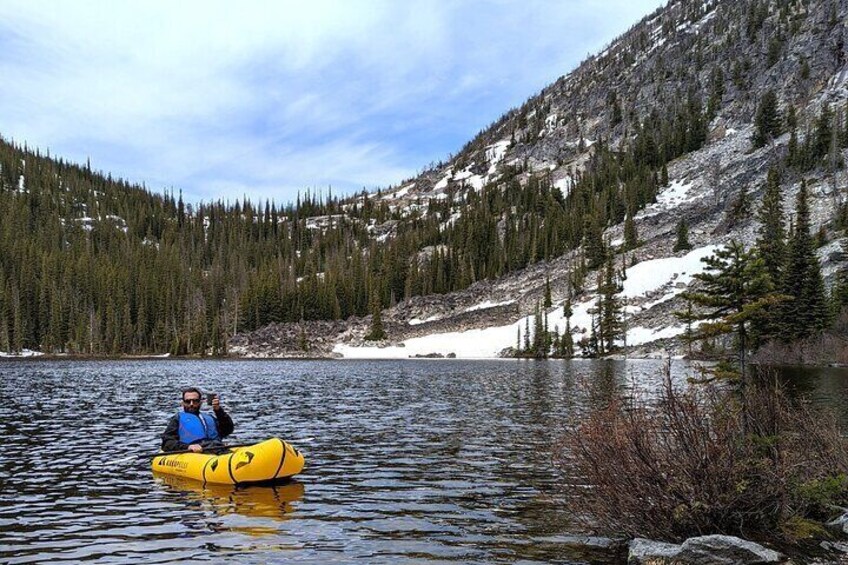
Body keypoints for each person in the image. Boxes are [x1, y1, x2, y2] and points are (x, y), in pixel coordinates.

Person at [161, 387, 234, 453]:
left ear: (200, 402)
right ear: (183, 403)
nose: (191, 404)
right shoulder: (177, 419)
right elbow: (167, 443)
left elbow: (228, 430)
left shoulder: (209, 418)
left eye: (195, 401)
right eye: (188, 401)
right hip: (195, 453)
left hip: (217, 448)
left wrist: (218, 410)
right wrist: (188, 447)